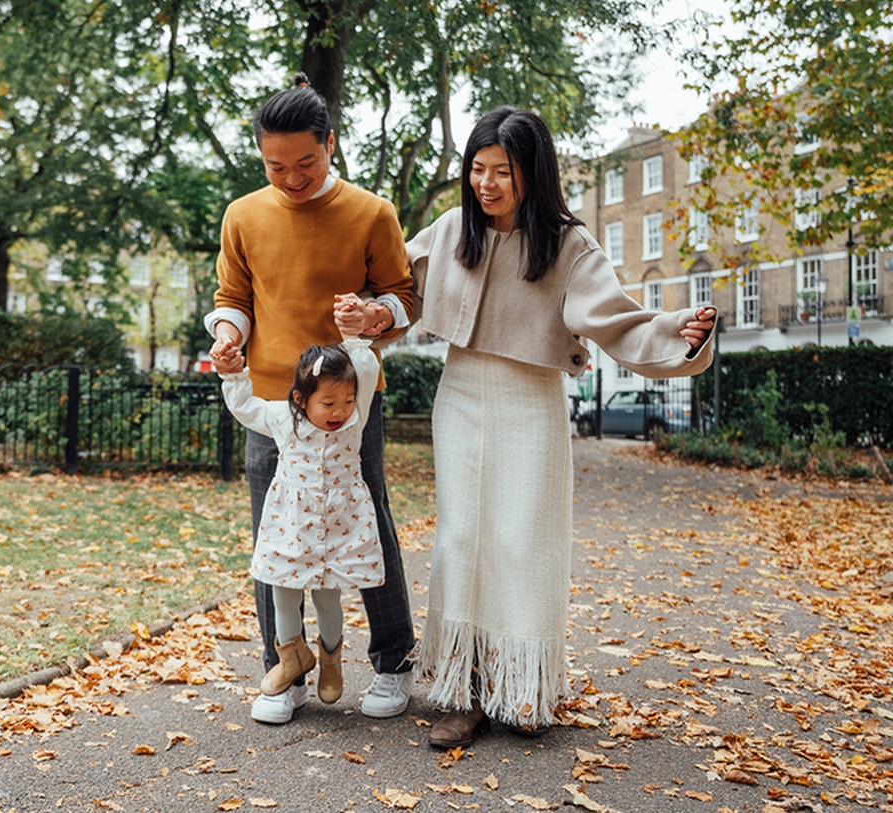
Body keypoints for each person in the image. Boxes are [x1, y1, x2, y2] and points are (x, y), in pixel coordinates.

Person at [398, 105, 716, 749]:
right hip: (458, 393)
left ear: (532, 173)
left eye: (503, 172)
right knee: (462, 539)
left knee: (522, 542)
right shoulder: (452, 228)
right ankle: (463, 690)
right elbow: (393, 289)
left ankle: (523, 688)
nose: (486, 184)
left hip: (531, 400)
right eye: (477, 169)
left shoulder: (569, 245)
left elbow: (618, 319)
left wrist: (678, 331)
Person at [206, 73, 421, 724]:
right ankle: (288, 666)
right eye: (276, 165)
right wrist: (225, 340)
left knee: (370, 522)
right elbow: (233, 301)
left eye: (306, 162)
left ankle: (392, 662)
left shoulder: (371, 212)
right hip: (273, 400)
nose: (292, 178)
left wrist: (374, 316)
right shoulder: (243, 215)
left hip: (349, 405)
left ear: (331, 142)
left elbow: (405, 298)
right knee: (273, 536)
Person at [218, 328, 386, 710]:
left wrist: (355, 341)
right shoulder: (283, 419)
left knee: (329, 599)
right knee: (284, 595)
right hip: (291, 526)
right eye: (327, 403)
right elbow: (246, 407)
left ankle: (330, 660)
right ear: (300, 399)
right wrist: (233, 374)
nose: (339, 411)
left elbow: (367, 370)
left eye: (345, 400)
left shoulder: (353, 422)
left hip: (338, 528)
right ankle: (292, 658)